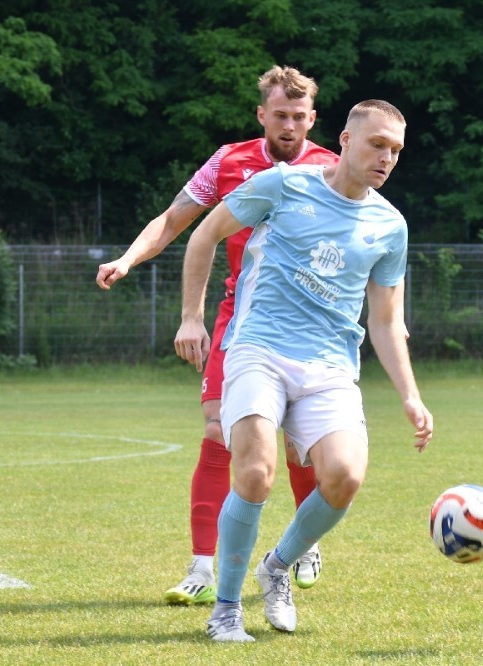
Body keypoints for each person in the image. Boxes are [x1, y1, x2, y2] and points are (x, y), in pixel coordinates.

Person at [174, 99, 434, 642]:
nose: (386, 158)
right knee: (255, 471)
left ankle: (277, 566)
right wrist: (193, 317)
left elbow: (386, 322)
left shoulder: (390, 226)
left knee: (344, 477)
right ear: (344, 139)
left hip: (329, 367)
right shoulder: (283, 185)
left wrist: (410, 395)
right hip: (258, 350)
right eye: (377, 144)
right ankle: (225, 609)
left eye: (396, 150)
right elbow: (205, 235)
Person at [96, 66, 339, 604]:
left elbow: (366, 241)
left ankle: (301, 545)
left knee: (299, 445)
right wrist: (133, 262)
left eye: (300, 117)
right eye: (280, 116)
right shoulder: (229, 161)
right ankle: (201, 569)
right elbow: (175, 220)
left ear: (313, 119)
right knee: (216, 433)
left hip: (308, 329)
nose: (290, 126)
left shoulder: (333, 170)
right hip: (241, 321)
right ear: (261, 115)